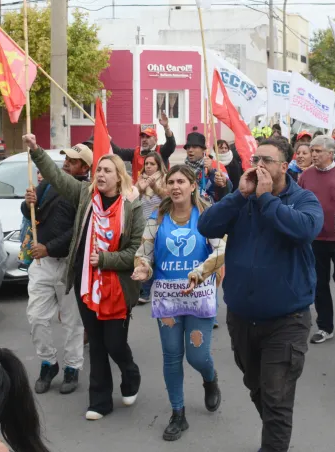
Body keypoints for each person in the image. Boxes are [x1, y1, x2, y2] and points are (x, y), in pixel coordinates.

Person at [197, 138, 323, 452]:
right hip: (242, 318)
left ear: (285, 165)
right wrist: (239, 196)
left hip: (287, 320)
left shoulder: (303, 199)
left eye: (267, 160)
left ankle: (273, 445)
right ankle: (277, 436)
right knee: (258, 388)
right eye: (256, 158)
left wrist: (267, 200)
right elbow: (207, 225)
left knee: (276, 396)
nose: (259, 165)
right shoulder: (243, 200)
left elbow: (305, 230)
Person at [23, 133, 144, 421]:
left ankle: (130, 373)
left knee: (115, 343)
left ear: (119, 177)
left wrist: (105, 259)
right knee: (98, 345)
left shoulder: (132, 208)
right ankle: (100, 401)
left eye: (107, 171)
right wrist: (37, 150)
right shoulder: (85, 197)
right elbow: (57, 177)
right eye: (98, 170)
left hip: (118, 288)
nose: (100, 175)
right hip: (87, 285)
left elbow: (134, 252)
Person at [131, 165, 225, 441]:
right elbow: (144, 252)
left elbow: (220, 250)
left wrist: (200, 272)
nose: (175, 186)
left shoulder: (208, 217)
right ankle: (177, 413)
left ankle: (210, 378)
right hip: (167, 301)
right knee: (172, 356)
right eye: (171, 181)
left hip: (199, 298)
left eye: (181, 181)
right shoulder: (157, 218)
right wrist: (143, 268)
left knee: (197, 356)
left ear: (193, 185)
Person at [20, 144, 91, 396]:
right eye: (66, 159)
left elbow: (78, 231)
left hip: (68, 264)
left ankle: (73, 367)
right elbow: (31, 212)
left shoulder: (85, 192)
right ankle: (48, 362)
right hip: (42, 263)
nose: (67, 163)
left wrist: (49, 247)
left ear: (84, 168)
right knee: (37, 317)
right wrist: (27, 202)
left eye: (73, 161)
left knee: (72, 322)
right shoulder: (48, 183)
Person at [298, 136, 335, 344]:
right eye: (312, 151)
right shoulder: (305, 176)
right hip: (315, 239)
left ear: (330, 153)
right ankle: (325, 327)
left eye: (317, 151)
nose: (313, 155)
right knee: (319, 284)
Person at [133, 152, 168, 305]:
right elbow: (132, 200)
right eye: (146, 164)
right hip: (143, 224)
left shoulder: (166, 179)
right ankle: (143, 290)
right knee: (145, 255)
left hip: (159, 224)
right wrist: (140, 189)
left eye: (152, 164)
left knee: (155, 257)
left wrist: (155, 186)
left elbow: (168, 198)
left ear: (159, 165)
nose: (148, 167)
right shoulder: (140, 180)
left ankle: (147, 291)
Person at [108, 114, 176, 180]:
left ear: (155, 139)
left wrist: (166, 127)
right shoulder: (135, 152)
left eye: (148, 137)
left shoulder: (162, 151)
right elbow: (118, 152)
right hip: (139, 189)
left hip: (159, 190)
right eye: (142, 137)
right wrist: (107, 139)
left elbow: (171, 144)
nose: (144, 139)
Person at [183, 132, 230, 204]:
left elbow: (229, 188)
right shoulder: (183, 169)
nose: (190, 150)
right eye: (188, 147)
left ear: (203, 150)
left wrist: (212, 172)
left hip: (211, 209)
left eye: (194, 147)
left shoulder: (217, 165)